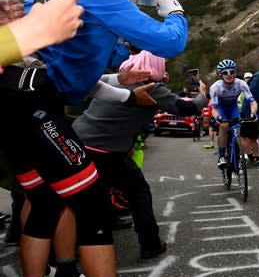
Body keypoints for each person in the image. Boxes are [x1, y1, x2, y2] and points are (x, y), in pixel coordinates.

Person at [1, 0, 186, 277]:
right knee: (92, 205)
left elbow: (75, 71)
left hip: (16, 96)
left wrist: (124, 94)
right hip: (38, 103)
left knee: (43, 204)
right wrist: (175, 13)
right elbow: (169, 43)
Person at [72, 51, 207, 259]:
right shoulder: (153, 88)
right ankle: (150, 243)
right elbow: (186, 107)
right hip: (106, 150)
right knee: (138, 191)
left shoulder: (119, 81)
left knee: (80, 196)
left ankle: (62, 250)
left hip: (76, 140)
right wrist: (202, 96)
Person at [210, 59, 257, 170]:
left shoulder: (241, 84)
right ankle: (221, 156)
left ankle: (236, 154)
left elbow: (252, 101)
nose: (229, 74)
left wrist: (253, 112)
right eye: (225, 72)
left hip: (233, 108)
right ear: (221, 74)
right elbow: (214, 108)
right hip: (221, 108)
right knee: (224, 126)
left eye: (232, 71)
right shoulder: (216, 87)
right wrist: (217, 117)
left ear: (235, 73)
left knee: (238, 130)